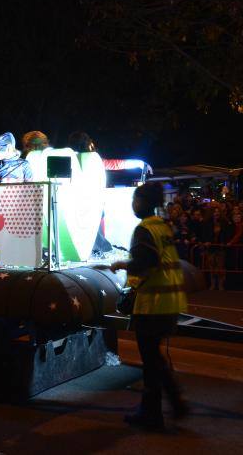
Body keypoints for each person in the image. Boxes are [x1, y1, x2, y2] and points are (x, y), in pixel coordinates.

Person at [109, 182, 189, 429]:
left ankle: (153, 414)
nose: (133, 204)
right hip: (170, 303)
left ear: (143, 202)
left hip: (153, 304)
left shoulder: (144, 229)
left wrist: (121, 264)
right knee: (154, 359)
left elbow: (147, 263)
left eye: (135, 199)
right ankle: (172, 404)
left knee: (151, 361)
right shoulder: (162, 226)